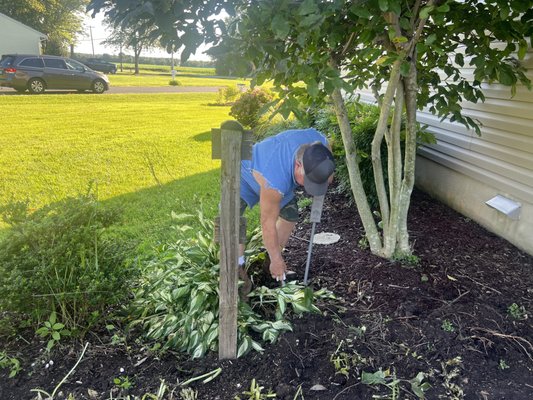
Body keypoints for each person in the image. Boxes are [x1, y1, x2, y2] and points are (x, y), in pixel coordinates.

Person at [239, 128, 335, 284]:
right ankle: (238, 269)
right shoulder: (274, 181)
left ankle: (269, 265)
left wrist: (320, 183)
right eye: (308, 180)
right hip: (244, 171)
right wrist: (277, 259)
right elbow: (267, 223)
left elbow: (328, 171)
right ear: (298, 165)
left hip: (277, 172)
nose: (308, 187)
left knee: (290, 215)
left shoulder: (322, 146)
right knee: (232, 221)